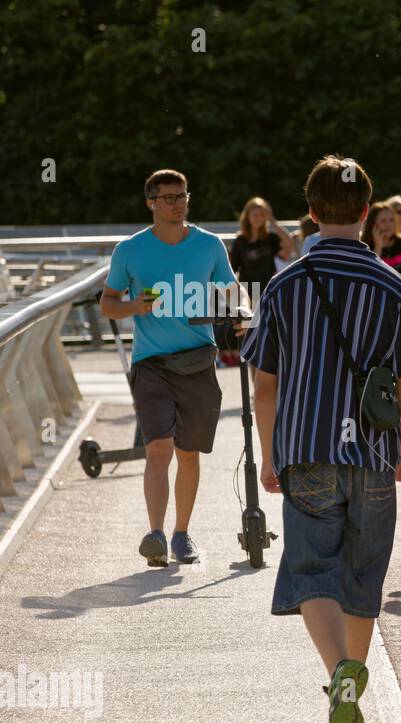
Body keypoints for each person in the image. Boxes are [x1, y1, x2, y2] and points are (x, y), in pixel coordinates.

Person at [241, 155, 401, 723]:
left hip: (306, 448)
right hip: (375, 455)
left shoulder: (285, 284)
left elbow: (264, 382)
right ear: (368, 212)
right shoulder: (399, 289)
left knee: (310, 572)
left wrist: (271, 453)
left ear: (311, 210)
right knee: (361, 575)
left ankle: (340, 679)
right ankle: (349, 675)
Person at [99, 169, 239, 568]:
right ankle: (155, 533)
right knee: (158, 447)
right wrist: (132, 307)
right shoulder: (129, 250)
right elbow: (108, 303)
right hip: (151, 363)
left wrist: (242, 311)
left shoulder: (209, 245)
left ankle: (182, 533)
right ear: (151, 203)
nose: (178, 204)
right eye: (169, 198)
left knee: (188, 452)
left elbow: (231, 290)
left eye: (183, 196)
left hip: (197, 358)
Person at [226, 197, 295, 367]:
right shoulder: (240, 240)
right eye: (254, 214)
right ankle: (255, 389)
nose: (258, 218)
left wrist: (273, 221)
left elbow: (289, 245)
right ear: (247, 216)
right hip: (249, 295)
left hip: (269, 292)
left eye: (261, 214)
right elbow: (232, 269)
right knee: (253, 342)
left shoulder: (270, 238)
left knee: (272, 339)